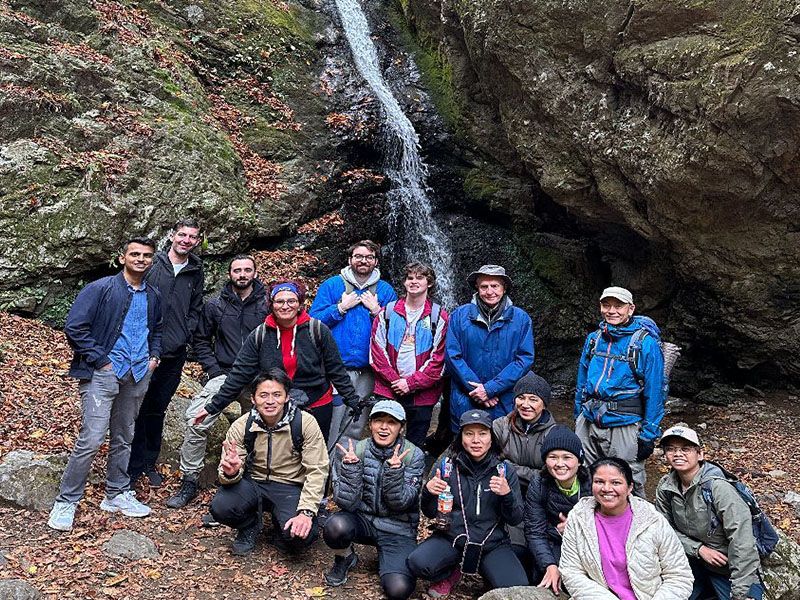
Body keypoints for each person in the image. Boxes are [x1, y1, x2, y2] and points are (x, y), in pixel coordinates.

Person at [47, 237, 162, 531]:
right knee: (92, 438)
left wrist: (154, 356)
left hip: (138, 372)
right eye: (134, 254)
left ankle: (116, 492)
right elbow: (75, 326)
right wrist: (101, 359)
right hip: (103, 373)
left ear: (152, 260)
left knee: (124, 436)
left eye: (146, 255)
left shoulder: (154, 294)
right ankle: (66, 501)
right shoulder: (100, 288)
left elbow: (157, 329)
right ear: (122, 258)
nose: (140, 259)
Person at [192, 280, 360, 447]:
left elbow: (336, 370)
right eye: (279, 301)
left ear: (300, 304)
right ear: (271, 304)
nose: (285, 306)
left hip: (316, 403)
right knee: (276, 455)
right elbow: (239, 374)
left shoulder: (317, 330)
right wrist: (213, 407)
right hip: (275, 405)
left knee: (313, 455)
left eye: (291, 301)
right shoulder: (260, 335)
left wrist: (352, 399)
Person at [166, 254, 268, 509]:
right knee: (197, 420)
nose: (242, 274)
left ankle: (251, 481)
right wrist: (213, 370)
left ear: (255, 273)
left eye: (247, 270)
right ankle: (189, 479)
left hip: (258, 378)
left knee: (263, 429)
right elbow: (201, 340)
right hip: (225, 373)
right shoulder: (215, 305)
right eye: (237, 270)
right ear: (229, 274)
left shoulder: (268, 304)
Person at [407, 409, 528, 596]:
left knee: (516, 586)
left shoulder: (504, 470)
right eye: (469, 434)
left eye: (482, 433)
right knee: (418, 563)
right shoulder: (446, 467)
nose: (476, 440)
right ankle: (450, 571)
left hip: (491, 543)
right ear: (460, 437)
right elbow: (430, 512)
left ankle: (488, 574)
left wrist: (507, 495)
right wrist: (429, 493)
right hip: (452, 538)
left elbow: (515, 518)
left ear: (491, 438)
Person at [209, 368, 329, 556]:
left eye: (276, 395)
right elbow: (228, 470)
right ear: (253, 399)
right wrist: (231, 473)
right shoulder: (243, 425)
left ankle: (280, 525)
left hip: (290, 486)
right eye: (263, 395)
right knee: (221, 507)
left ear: (287, 397)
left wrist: (306, 512)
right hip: (253, 482)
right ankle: (249, 526)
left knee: (299, 537)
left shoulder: (305, 423)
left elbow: (317, 470)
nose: (270, 401)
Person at [322, 400, 425, 599]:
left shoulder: (413, 456)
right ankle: (345, 557)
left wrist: (395, 472)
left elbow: (401, 503)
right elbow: (346, 504)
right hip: (364, 521)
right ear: (370, 424)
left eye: (392, 422)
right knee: (335, 526)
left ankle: (390, 561)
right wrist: (351, 469)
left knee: (399, 589)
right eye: (378, 421)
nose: (384, 427)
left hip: (397, 529)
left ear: (401, 428)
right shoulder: (358, 450)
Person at [128, 218, 204, 487]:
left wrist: (187, 332)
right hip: (144, 350)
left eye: (192, 237)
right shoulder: (152, 264)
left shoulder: (196, 270)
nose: (186, 240)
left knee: (157, 409)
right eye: (182, 234)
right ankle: (130, 465)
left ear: (197, 241)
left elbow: (196, 307)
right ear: (172, 235)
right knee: (137, 407)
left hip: (174, 352)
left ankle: (148, 462)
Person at [574, 286, 665, 497]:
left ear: (630, 309)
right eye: (606, 305)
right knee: (586, 477)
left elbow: (656, 391)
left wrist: (649, 435)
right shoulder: (594, 339)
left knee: (626, 480)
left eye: (618, 306)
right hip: (589, 420)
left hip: (625, 422)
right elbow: (581, 381)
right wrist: (578, 416)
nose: (612, 311)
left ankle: (635, 527)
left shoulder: (645, 343)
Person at [560, 457, 693, 600]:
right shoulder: (579, 518)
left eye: (616, 482)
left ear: (629, 487)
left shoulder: (652, 521)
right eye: (599, 482)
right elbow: (571, 571)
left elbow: (679, 576)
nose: (606, 488)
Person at [655, 426, 764, 600]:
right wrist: (698, 549)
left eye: (685, 449)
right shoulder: (666, 486)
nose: (677, 454)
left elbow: (742, 541)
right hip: (689, 561)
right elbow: (663, 530)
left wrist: (740, 592)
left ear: (700, 454)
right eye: (671, 449)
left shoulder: (718, 488)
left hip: (727, 567)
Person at [309, 240, 397, 445]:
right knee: (333, 419)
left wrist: (377, 312)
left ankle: (348, 469)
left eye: (368, 257)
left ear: (375, 261)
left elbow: (396, 331)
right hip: (335, 368)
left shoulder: (385, 291)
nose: (363, 261)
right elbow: (313, 322)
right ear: (350, 260)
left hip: (368, 370)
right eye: (358, 256)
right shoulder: (332, 285)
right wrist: (340, 308)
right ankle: (326, 469)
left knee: (356, 422)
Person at [445, 264, 535, 431]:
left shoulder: (521, 319)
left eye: (495, 286)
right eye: (484, 286)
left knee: (504, 447)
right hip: (467, 399)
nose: (489, 291)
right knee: (466, 448)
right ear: (477, 288)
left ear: (504, 288)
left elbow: (524, 359)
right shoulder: (459, 316)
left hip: (503, 400)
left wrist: (490, 389)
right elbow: (452, 356)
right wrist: (478, 390)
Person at [370, 261, 449, 447]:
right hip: (389, 390)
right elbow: (377, 352)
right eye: (409, 278)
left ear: (429, 283)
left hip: (423, 395)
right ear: (404, 283)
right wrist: (396, 381)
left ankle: (411, 476)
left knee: (415, 444)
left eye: (420, 277)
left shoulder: (439, 316)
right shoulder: (387, 313)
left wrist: (411, 383)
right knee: (383, 440)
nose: (414, 281)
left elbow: (439, 359)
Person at [523, 426, 591, 594]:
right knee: (547, 577)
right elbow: (534, 531)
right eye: (553, 457)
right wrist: (549, 565)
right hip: (553, 540)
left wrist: (578, 526)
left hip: (590, 543)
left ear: (579, 460)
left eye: (567, 457)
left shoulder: (594, 483)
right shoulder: (539, 484)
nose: (560, 464)